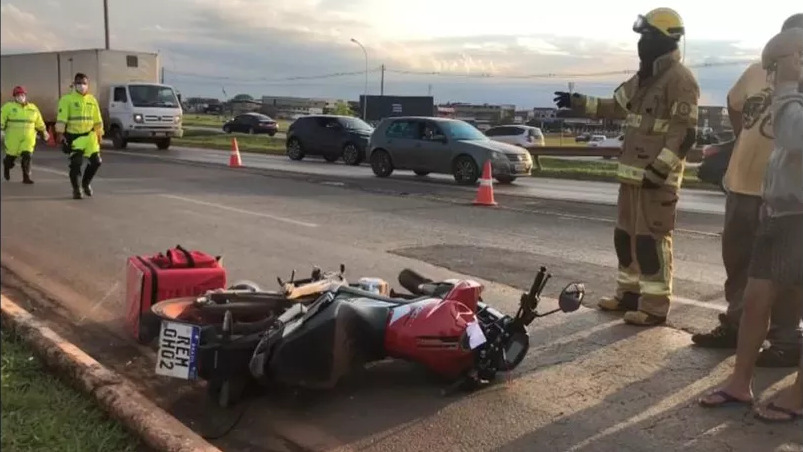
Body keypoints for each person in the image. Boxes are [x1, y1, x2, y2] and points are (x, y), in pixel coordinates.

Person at [553, 7, 700, 326]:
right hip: (632, 178)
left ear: (664, 40)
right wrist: (578, 102)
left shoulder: (680, 80)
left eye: (647, 36)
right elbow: (616, 106)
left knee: (651, 242)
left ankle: (655, 307)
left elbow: (683, 132)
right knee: (626, 238)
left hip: (656, 181)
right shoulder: (645, 78)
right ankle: (629, 294)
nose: (641, 43)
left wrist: (659, 171)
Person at [698, 25, 803, 422]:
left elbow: (795, 137)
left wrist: (788, 87)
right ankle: (740, 383)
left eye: (780, 64)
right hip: (780, 211)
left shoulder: (791, 95)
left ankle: (799, 395)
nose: (773, 74)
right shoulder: (788, 92)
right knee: (756, 297)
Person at [54, 72, 103, 199]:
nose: (82, 86)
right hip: (74, 137)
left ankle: (86, 184)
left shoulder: (92, 100)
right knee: (76, 164)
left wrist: (99, 134)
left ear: (88, 85)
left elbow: (97, 119)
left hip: (90, 136)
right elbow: (61, 118)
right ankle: (76, 189)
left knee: (96, 162)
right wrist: (60, 134)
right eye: (79, 83)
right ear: (74, 84)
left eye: (84, 83)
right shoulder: (67, 100)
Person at [1, 85, 49, 184]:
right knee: (11, 157)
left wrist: (44, 131)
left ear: (25, 95)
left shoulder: (33, 108)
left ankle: (26, 177)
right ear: (14, 96)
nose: (20, 97)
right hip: (13, 137)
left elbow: (39, 121)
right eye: (18, 95)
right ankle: (7, 165)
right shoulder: (8, 107)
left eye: (22, 95)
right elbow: (1, 119)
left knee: (27, 155)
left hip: (28, 137)